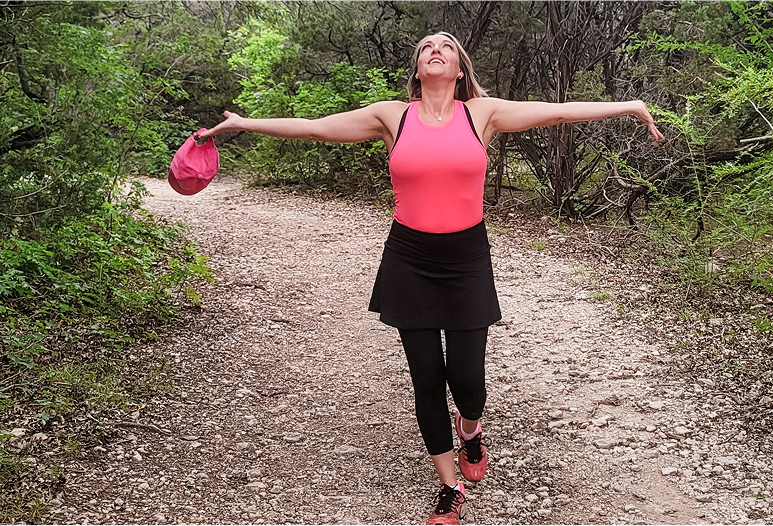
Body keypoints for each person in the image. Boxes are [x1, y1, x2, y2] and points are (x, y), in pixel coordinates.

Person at [200, 31, 664, 526]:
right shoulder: (391, 117)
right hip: (409, 259)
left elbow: (558, 112)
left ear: (460, 69)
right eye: (426, 47)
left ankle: (470, 429)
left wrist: (629, 105)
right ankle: (449, 486)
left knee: (468, 380)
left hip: (466, 259)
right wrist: (244, 123)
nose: (435, 50)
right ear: (418, 69)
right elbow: (315, 128)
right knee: (426, 378)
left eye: (446, 46)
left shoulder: (482, 113)